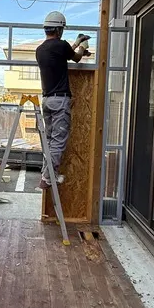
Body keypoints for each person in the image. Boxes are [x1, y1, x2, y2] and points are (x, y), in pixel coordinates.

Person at [35, 11, 91, 190]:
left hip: (47, 100)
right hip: (60, 100)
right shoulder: (61, 45)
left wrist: (76, 44)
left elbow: (65, 52)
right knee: (58, 141)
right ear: (59, 30)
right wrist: (82, 45)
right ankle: (47, 177)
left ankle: (46, 173)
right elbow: (76, 57)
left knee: (50, 140)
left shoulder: (40, 50)